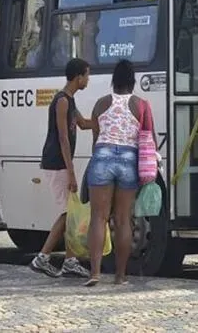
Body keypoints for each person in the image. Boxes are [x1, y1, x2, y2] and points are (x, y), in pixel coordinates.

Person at [84, 59, 156, 287]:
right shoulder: (141, 105)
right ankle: (120, 276)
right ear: (133, 81)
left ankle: (94, 273)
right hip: (129, 159)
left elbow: (95, 139)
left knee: (98, 218)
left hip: (102, 156)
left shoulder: (100, 104)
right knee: (124, 220)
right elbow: (149, 138)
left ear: (113, 81)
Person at [30, 58, 94, 278]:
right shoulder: (62, 101)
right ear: (78, 77)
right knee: (67, 214)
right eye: (87, 75)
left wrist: (108, 118)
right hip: (56, 164)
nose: (88, 79)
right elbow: (63, 138)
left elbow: (84, 124)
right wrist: (72, 172)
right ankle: (43, 257)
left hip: (61, 164)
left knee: (71, 213)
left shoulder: (71, 101)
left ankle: (70, 260)